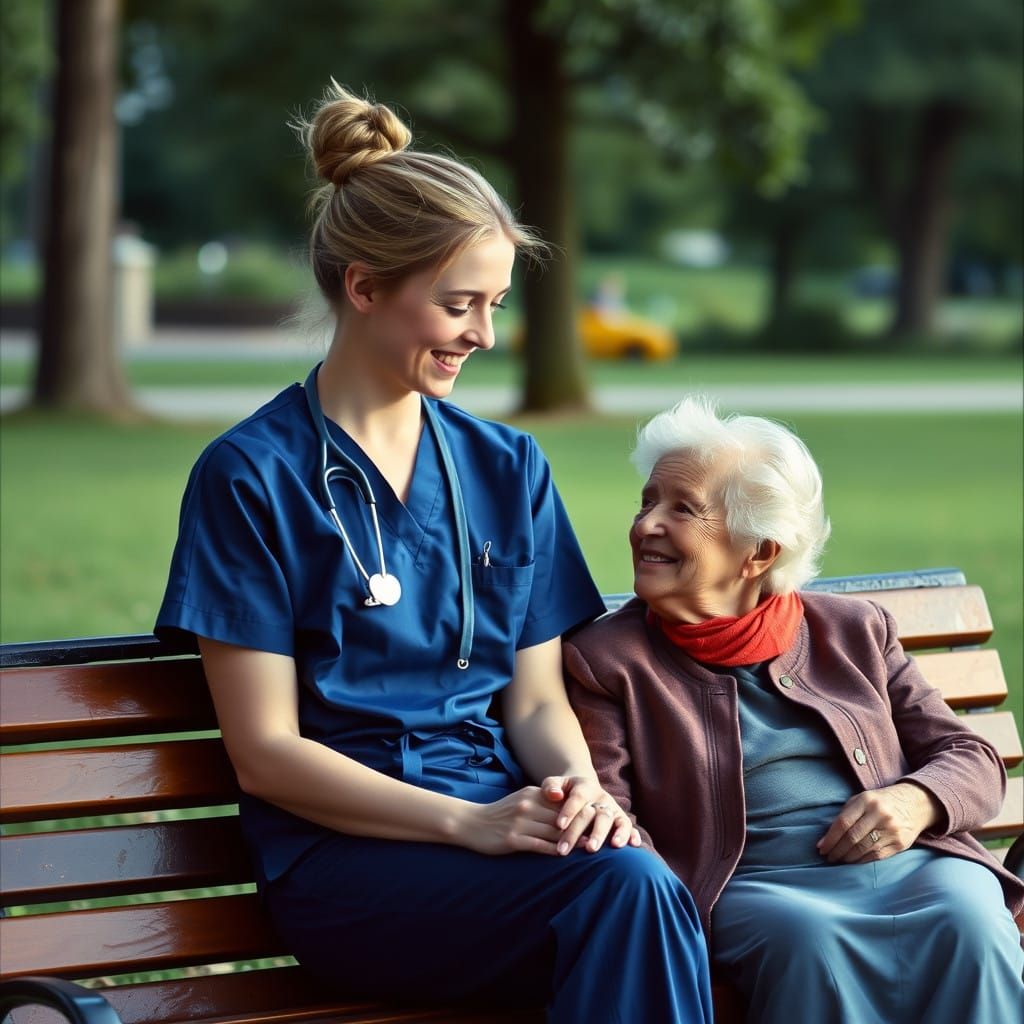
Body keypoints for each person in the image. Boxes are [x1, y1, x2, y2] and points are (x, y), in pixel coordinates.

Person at [155, 83, 712, 1023]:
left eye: (494, 304)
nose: (484, 336)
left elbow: (533, 699)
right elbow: (266, 754)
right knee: (630, 899)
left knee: (638, 879)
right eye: (459, 305)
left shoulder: (507, 466)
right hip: (347, 860)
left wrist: (577, 794)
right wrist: (470, 823)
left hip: (500, 824)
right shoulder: (249, 478)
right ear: (365, 287)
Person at [564, 395, 1024, 1024]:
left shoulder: (854, 630)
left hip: (912, 864)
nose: (646, 525)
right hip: (754, 886)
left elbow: (970, 757)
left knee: (971, 917)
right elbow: (614, 817)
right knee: (810, 945)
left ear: (759, 552)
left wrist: (915, 800)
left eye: (683, 510)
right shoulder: (608, 660)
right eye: (647, 502)